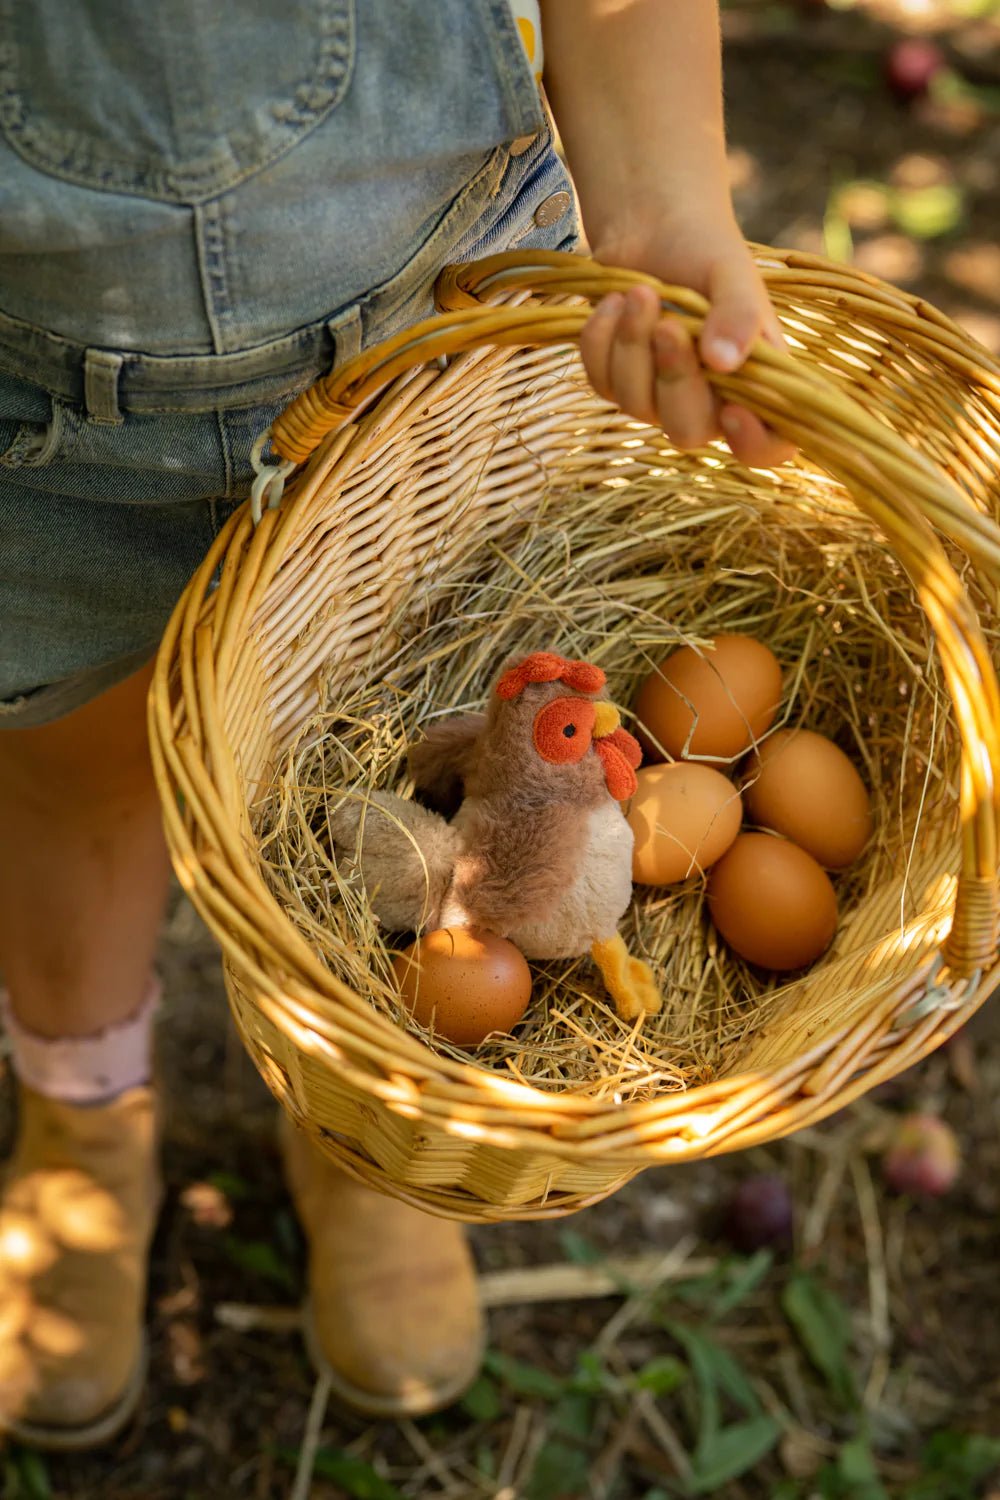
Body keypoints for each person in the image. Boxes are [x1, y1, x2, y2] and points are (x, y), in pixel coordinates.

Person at [0, 0, 793, 1448]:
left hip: (432, 327)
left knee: (389, 757)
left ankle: (362, 1127)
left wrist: (661, 197)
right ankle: (83, 1119)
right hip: (34, 411)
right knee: (76, 780)